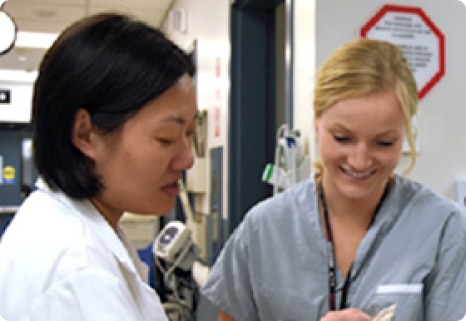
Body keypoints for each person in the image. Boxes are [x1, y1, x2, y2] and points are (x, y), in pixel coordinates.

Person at [201, 38, 466, 321]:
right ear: (316, 119)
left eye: (384, 143)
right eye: (342, 138)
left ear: (406, 132)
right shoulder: (265, 229)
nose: (360, 160)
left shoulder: (444, 228)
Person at [0, 12, 197, 321]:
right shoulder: (79, 272)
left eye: (190, 135)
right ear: (85, 134)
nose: (187, 160)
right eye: (167, 138)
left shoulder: (74, 232)